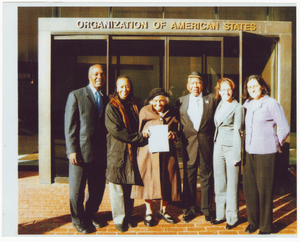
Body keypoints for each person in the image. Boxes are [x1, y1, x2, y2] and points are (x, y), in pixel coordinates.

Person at [242, 75, 290, 235]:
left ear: (262, 86)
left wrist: (276, 144)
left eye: (255, 86)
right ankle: (253, 222)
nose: (252, 89)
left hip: (266, 153)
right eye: (249, 87)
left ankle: (265, 227)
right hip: (249, 152)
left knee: (265, 191)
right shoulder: (247, 104)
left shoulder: (271, 103)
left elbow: (284, 126)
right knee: (250, 190)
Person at [64, 64, 108, 234]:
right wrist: (71, 150)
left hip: (99, 154)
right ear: (89, 76)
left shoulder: (105, 99)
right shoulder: (76, 95)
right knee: (77, 189)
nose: (99, 77)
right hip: (80, 153)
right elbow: (70, 126)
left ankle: (90, 214)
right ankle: (77, 219)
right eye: (96, 74)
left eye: (102, 74)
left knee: (97, 188)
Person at [131, 88, 181, 227]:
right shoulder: (144, 111)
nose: (159, 103)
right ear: (151, 101)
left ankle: (163, 210)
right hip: (149, 153)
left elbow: (177, 130)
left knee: (168, 179)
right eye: (156, 100)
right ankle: (149, 211)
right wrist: (144, 133)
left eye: (162, 100)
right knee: (149, 180)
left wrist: (173, 135)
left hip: (167, 152)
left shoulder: (172, 111)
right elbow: (138, 131)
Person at [105, 75, 148, 232]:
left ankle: (128, 216)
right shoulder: (112, 107)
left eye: (127, 86)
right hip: (117, 152)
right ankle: (119, 219)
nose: (125, 89)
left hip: (131, 152)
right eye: (121, 86)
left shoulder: (133, 104)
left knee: (129, 186)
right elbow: (117, 132)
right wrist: (140, 137)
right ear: (116, 88)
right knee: (117, 187)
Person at [176, 71, 219, 223]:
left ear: (202, 85)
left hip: (207, 145)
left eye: (198, 83)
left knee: (207, 177)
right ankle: (189, 208)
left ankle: (207, 209)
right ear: (188, 86)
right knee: (189, 178)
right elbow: (176, 123)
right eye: (192, 83)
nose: (195, 86)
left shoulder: (212, 99)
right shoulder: (180, 101)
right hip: (189, 146)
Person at [211, 78, 244, 229]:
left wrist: (237, 155)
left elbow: (238, 131)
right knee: (219, 182)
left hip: (231, 148)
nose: (226, 92)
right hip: (218, 146)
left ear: (233, 90)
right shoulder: (220, 104)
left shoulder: (238, 107)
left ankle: (232, 217)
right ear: (219, 91)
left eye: (228, 89)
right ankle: (220, 214)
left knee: (232, 184)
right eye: (223, 89)